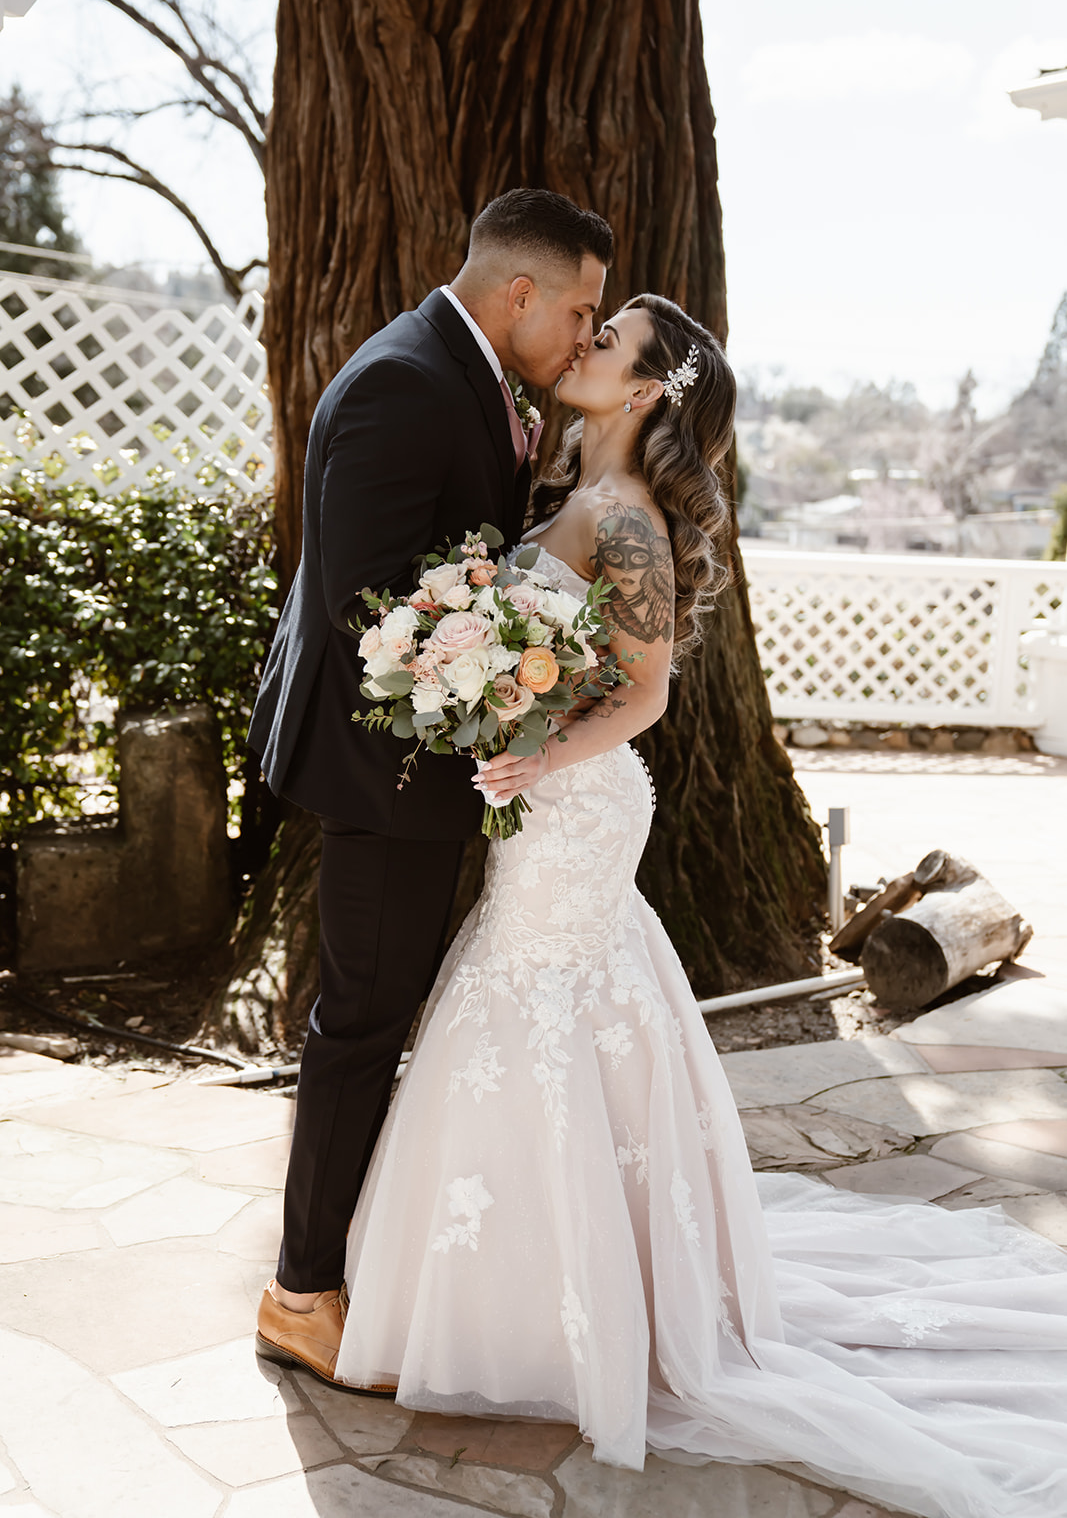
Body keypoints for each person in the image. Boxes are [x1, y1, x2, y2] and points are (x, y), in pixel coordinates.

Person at [327, 295, 1067, 1518]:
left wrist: (529, 757)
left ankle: (565, 1309)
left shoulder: (623, 518)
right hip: (549, 796)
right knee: (530, 994)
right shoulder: (568, 496)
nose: (585, 347)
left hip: (580, 797)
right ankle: (543, 1279)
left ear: (645, 390)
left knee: (543, 994)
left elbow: (649, 694)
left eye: (607, 342)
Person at [248, 188, 614, 1381]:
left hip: (421, 768)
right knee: (357, 1024)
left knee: (381, 1012)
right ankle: (301, 1294)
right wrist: (505, 659)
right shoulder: (405, 379)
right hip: (379, 774)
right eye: (578, 308)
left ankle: (337, 1253)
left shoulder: (473, 378)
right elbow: (372, 607)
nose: (580, 334)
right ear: (520, 292)